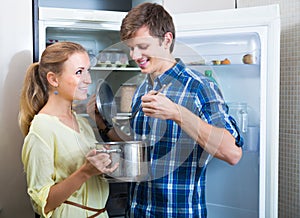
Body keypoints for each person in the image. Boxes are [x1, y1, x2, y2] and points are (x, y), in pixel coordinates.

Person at [88, 3, 244, 217]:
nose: (134, 55)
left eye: (142, 46)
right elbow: (142, 152)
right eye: (130, 47)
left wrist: (177, 113)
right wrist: (103, 125)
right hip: (138, 210)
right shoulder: (143, 88)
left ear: (166, 40)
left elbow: (232, 153)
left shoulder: (199, 87)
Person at [18, 41, 118, 218]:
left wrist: (103, 157)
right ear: (53, 79)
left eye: (88, 71)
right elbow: (43, 204)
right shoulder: (42, 128)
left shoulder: (82, 122)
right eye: (79, 72)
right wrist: (85, 172)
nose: (88, 80)